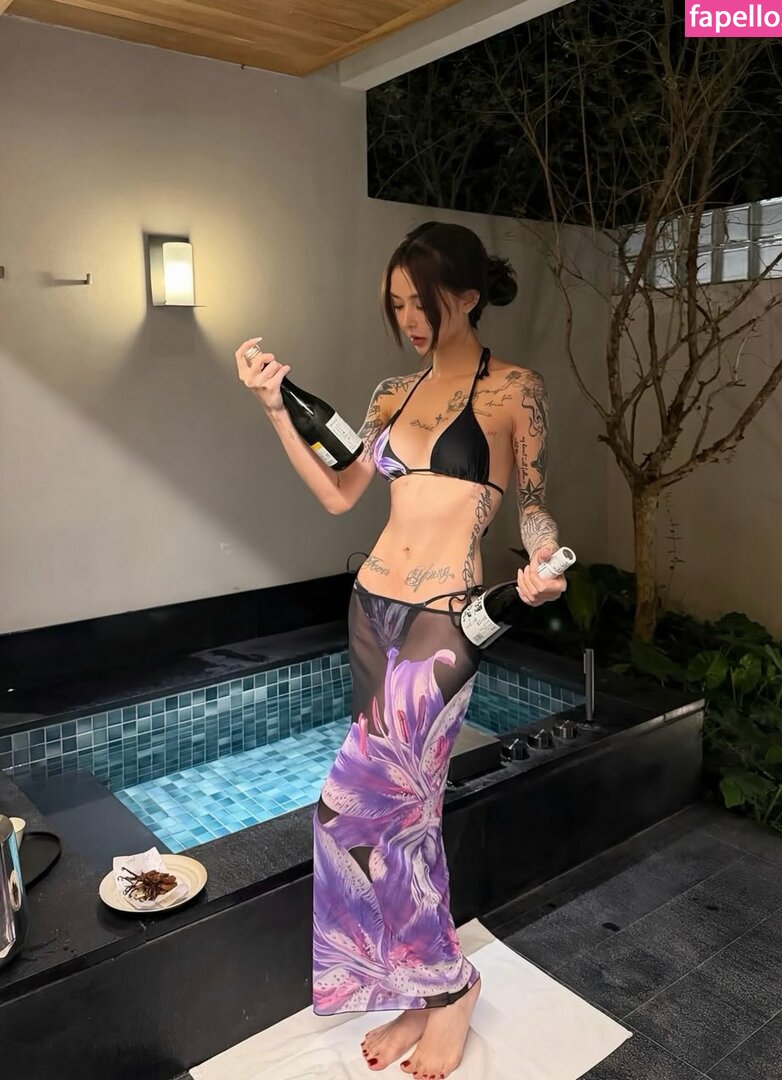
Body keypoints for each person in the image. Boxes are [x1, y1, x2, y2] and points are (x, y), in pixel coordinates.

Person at [234, 221, 566, 1080]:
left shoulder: (513, 390)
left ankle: (451, 989)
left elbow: (532, 503)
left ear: (466, 295)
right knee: (404, 819)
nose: (408, 319)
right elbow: (340, 495)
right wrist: (274, 411)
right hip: (371, 609)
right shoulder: (389, 393)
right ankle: (423, 990)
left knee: (342, 811)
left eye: (421, 303)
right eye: (395, 306)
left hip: (443, 618)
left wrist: (542, 561)